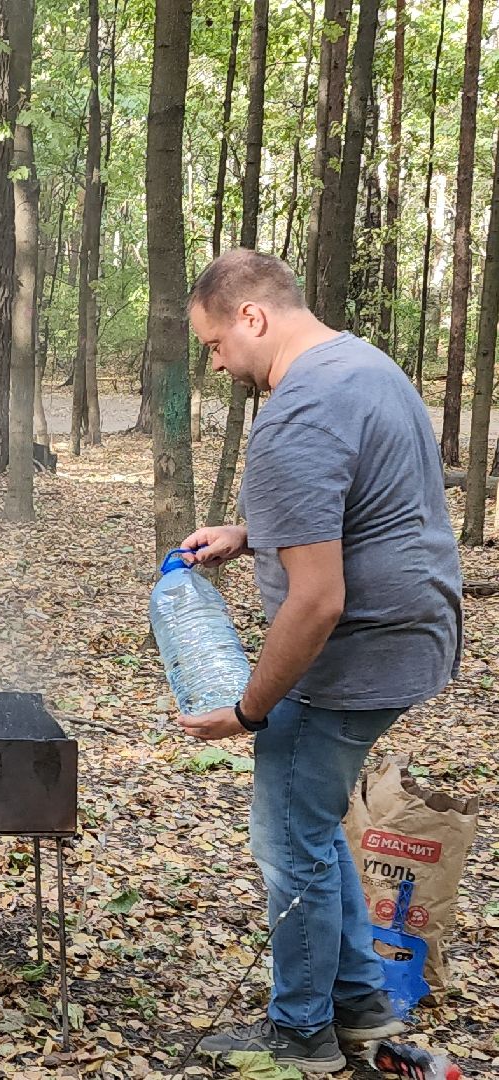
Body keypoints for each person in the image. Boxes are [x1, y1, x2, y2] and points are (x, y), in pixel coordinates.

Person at [179, 249, 462, 1074]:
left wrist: (248, 710)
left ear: (252, 316)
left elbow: (315, 602)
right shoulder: (363, 365)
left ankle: (300, 1032)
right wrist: (250, 534)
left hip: (352, 654)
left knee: (285, 840)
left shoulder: (296, 412)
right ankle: (360, 1005)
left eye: (215, 345)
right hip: (413, 635)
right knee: (312, 819)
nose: (217, 364)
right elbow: (364, 506)